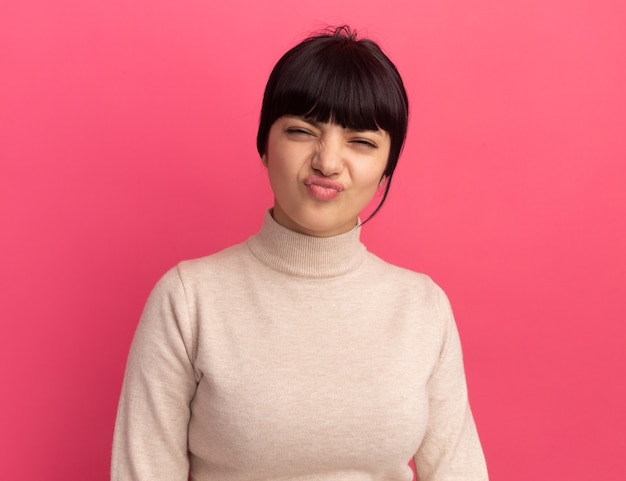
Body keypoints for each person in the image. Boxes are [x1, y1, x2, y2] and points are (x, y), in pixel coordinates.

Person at [111, 26, 489, 481]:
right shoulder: (189, 300)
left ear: (387, 169)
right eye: (301, 131)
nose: (327, 162)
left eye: (362, 142)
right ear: (264, 146)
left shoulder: (422, 307)